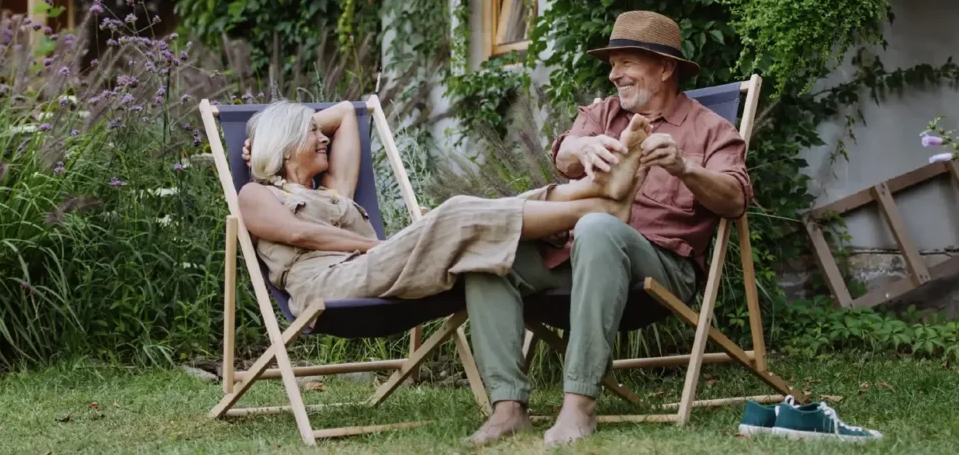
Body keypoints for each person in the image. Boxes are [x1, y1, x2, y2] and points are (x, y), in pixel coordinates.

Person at [463, 10, 754, 446]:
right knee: (492, 251)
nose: (614, 74)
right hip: (577, 256)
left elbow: (735, 200)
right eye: (612, 64)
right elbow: (564, 158)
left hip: (660, 269)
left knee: (598, 227)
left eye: (626, 62)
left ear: (664, 67)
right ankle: (508, 408)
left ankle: (579, 406)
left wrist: (684, 168)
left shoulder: (710, 130)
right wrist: (583, 144)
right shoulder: (604, 115)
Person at [235, 98, 653, 326]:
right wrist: (379, 245)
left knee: (462, 214)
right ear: (288, 145)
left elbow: (346, 112)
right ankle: (598, 201)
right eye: (312, 133)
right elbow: (301, 236)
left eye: (316, 129)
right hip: (327, 283)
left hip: (373, 267)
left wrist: (289, 132)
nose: (322, 137)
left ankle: (597, 193)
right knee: (454, 214)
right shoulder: (256, 194)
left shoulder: (334, 191)